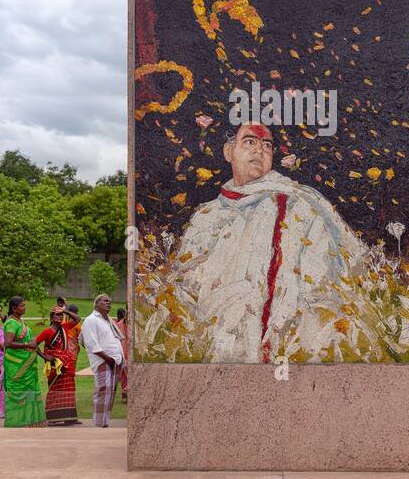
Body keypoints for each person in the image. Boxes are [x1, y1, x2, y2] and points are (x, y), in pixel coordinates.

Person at [155, 122, 369, 363]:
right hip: (216, 345)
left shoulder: (300, 206)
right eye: (249, 142)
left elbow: (320, 280)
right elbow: (186, 283)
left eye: (266, 145)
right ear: (228, 152)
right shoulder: (206, 215)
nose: (259, 150)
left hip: (283, 346)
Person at [35, 300, 82, 426]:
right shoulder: (47, 331)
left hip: (67, 364)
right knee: (55, 390)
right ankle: (52, 417)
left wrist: (65, 310)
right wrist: (44, 356)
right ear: (51, 317)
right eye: (57, 315)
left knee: (69, 389)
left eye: (61, 315)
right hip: (55, 365)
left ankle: (70, 417)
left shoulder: (65, 327)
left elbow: (78, 319)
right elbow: (34, 344)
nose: (60, 317)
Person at [2, 296, 47, 428]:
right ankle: (17, 423)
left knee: (29, 392)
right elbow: (8, 343)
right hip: (17, 366)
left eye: (24, 305)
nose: (24, 308)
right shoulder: (11, 323)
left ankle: (30, 421)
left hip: (28, 366)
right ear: (14, 308)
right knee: (18, 393)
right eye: (22, 306)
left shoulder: (20, 321)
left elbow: (32, 342)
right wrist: (26, 344)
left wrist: (43, 356)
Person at [82, 294, 124, 427]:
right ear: (97, 304)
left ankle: (104, 423)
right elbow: (89, 342)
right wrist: (106, 358)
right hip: (103, 361)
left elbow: (116, 339)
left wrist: (119, 358)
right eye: (105, 301)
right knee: (103, 392)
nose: (109, 303)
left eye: (110, 302)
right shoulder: (91, 320)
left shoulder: (108, 320)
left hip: (115, 360)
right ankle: (99, 426)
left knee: (110, 394)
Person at [114, 306, 129, 401]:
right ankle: (125, 393)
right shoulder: (119, 325)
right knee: (124, 373)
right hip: (122, 352)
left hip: (127, 352)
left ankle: (126, 392)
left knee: (127, 373)